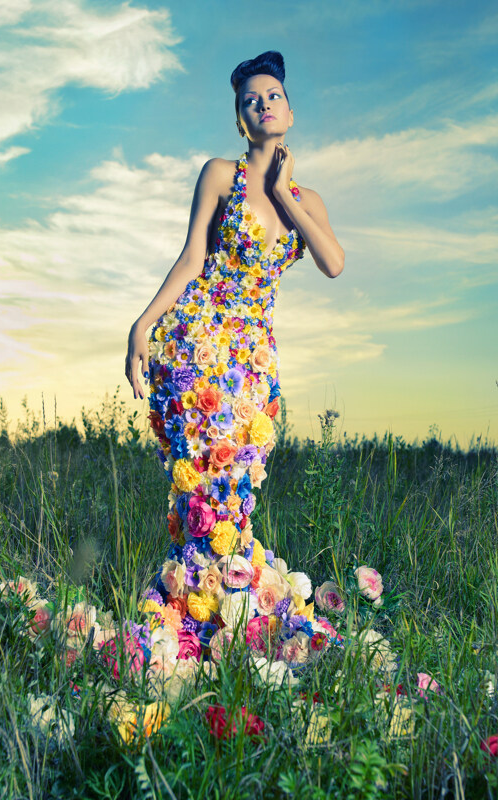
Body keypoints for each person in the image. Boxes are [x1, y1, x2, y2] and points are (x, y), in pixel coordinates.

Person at [123, 51, 345, 660]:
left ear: (290, 112)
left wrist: (280, 190)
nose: (263, 104)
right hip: (198, 356)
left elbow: (333, 262)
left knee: (237, 495)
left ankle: (227, 620)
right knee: (203, 500)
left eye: (272, 95)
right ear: (241, 121)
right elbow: (192, 258)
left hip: (254, 367)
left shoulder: (307, 200)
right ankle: (189, 625)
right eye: (251, 101)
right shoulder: (220, 174)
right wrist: (143, 324)